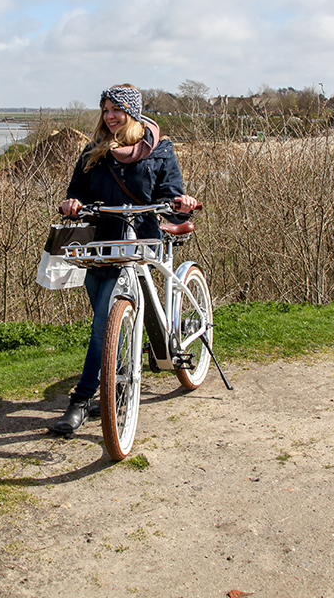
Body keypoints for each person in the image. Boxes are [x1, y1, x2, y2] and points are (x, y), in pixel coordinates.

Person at [52, 84, 199, 435]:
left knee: (102, 324)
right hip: (99, 244)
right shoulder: (94, 151)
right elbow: (78, 190)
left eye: (116, 109)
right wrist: (72, 202)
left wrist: (181, 203)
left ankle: (82, 399)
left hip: (139, 241)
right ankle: (113, 380)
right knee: (105, 324)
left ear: (131, 112)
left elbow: (171, 192)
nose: (110, 116)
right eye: (105, 110)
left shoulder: (159, 150)